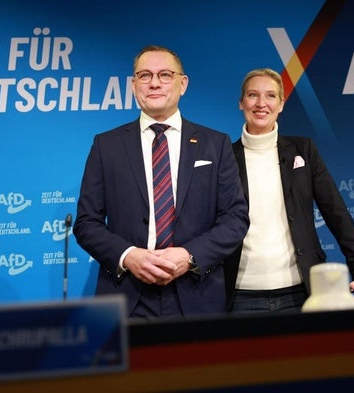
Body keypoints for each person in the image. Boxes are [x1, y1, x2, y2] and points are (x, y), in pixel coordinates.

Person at [73, 45, 249, 319]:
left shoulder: (215, 144)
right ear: (133, 85)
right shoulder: (106, 145)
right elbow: (86, 223)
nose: (154, 83)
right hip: (127, 297)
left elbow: (235, 218)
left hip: (197, 296)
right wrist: (128, 256)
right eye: (144, 76)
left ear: (183, 83)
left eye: (165, 75)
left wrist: (189, 256)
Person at [224, 68, 354, 314]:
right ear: (241, 103)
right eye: (253, 95)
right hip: (242, 295)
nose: (262, 103)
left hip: (302, 292)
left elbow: (336, 212)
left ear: (281, 104)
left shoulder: (303, 150)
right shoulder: (224, 157)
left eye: (271, 96)